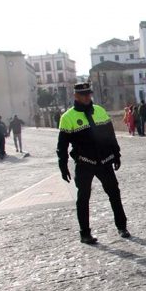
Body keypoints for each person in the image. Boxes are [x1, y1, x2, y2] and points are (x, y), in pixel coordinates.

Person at [57, 81, 129, 245]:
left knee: (114, 194)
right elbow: (62, 146)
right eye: (83, 94)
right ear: (75, 96)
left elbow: (111, 136)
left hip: (104, 161)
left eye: (89, 94)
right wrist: (63, 166)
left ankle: (122, 226)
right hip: (84, 163)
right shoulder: (67, 118)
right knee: (83, 198)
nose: (87, 97)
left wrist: (116, 154)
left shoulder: (100, 111)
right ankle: (85, 233)